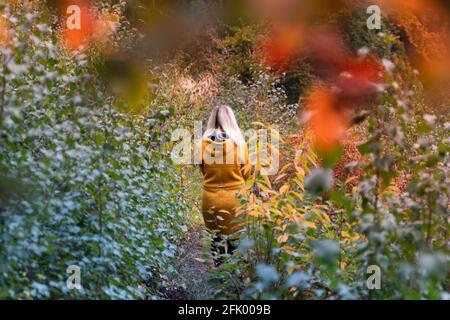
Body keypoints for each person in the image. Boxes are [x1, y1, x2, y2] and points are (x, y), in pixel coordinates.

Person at [198, 105, 251, 263]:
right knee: (236, 242)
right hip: (236, 200)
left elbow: (204, 171)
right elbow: (246, 174)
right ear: (231, 120)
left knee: (217, 241)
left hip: (210, 200)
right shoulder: (240, 145)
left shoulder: (201, 145)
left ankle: (220, 277)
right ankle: (234, 282)